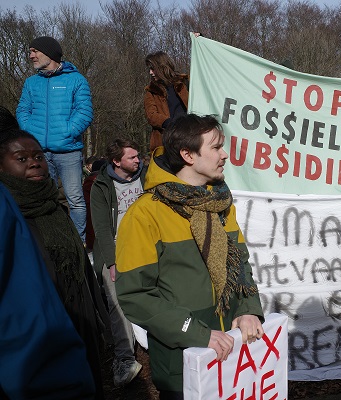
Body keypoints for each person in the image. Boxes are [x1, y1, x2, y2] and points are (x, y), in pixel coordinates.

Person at [115, 114, 264, 398]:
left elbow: (241, 265)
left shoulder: (220, 203)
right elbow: (135, 295)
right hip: (182, 364)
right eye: (216, 147)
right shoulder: (144, 214)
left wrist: (247, 308)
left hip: (235, 356)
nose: (225, 155)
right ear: (188, 155)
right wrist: (198, 333)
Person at [0, 129, 106, 398]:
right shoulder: (10, 218)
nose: (34, 162)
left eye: (38, 156)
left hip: (80, 326)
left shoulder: (56, 209)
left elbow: (83, 271)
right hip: (39, 339)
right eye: (21, 159)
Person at [16, 36, 93, 242]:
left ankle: (78, 242)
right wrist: (30, 133)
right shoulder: (31, 82)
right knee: (44, 199)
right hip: (39, 153)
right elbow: (23, 110)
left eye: (34, 51)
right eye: (30, 51)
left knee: (75, 199)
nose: (31, 55)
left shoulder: (76, 80)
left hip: (69, 151)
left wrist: (67, 131)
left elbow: (85, 112)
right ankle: (50, 240)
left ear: (49, 53)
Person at [90, 138, 146, 387]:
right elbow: (101, 228)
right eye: (132, 157)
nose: (138, 160)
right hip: (115, 249)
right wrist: (111, 263)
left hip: (147, 245)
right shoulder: (100, 185)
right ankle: (124, 359)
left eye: (138, 156)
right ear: (116, 161)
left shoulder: (147, 176)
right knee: (116, 298)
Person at [144, 51, 189, 151]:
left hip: (189, 137)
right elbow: (151, 115)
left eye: (153, 68)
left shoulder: (184, 83)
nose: (150, 72)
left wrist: (199, 38)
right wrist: (169, 123)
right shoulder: (151, 91)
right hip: (166, 142)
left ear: (162, 67)